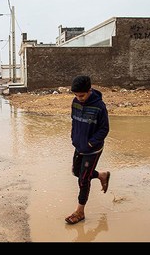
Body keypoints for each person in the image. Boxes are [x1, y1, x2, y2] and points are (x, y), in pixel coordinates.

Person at [65, 75, 110, 225]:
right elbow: (74, 121)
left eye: (82, 95)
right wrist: (74, 137)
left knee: (83, 180)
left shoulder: (99, 107)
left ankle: (80, 212)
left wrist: (91, 143)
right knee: (76, 172)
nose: (79, 98)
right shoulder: (75, 102)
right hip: (79, 145)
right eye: (76, 95)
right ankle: (102, 175)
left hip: (92, 149)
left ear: (89, 91)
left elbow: (104, 129)